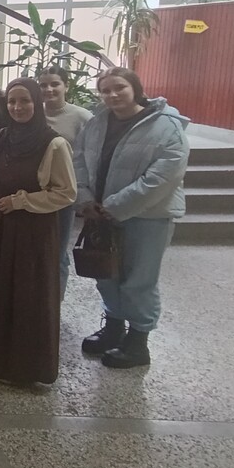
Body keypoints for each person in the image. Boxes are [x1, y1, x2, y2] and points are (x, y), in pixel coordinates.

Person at [73, 67, 189, 369]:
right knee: (106, 273)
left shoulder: (166, 125)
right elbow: (78, 160)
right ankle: (113, 329)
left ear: (135, 88)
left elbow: (163, 176)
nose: (112, 95)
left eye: (119, 88)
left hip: (147, 217)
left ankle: (138, 343)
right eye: (105, 90)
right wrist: (85, 198)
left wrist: (114, 206)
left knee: (139, 279)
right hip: (100, 213)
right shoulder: (96, 123)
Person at [0, 79, 76, 385]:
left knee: (25, 294)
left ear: (37, 103)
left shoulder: (54, 144)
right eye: (12, 102)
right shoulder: (4, 136)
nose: (17, 107)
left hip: (32, 230)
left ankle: (25, 368)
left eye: (25, 101)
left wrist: (22, 201)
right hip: (1, 225)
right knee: (1, 289)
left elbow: (65, 193)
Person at [38, 65, 93, 299]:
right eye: (43, 85)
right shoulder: (34, 112)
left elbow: (90, 156)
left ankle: (54, 303)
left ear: (66, 86)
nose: (49, 89)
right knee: (37, 250)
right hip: (35, 191)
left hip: (63, 193)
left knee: (58, 251)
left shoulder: (82, 117)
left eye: (55, 84)